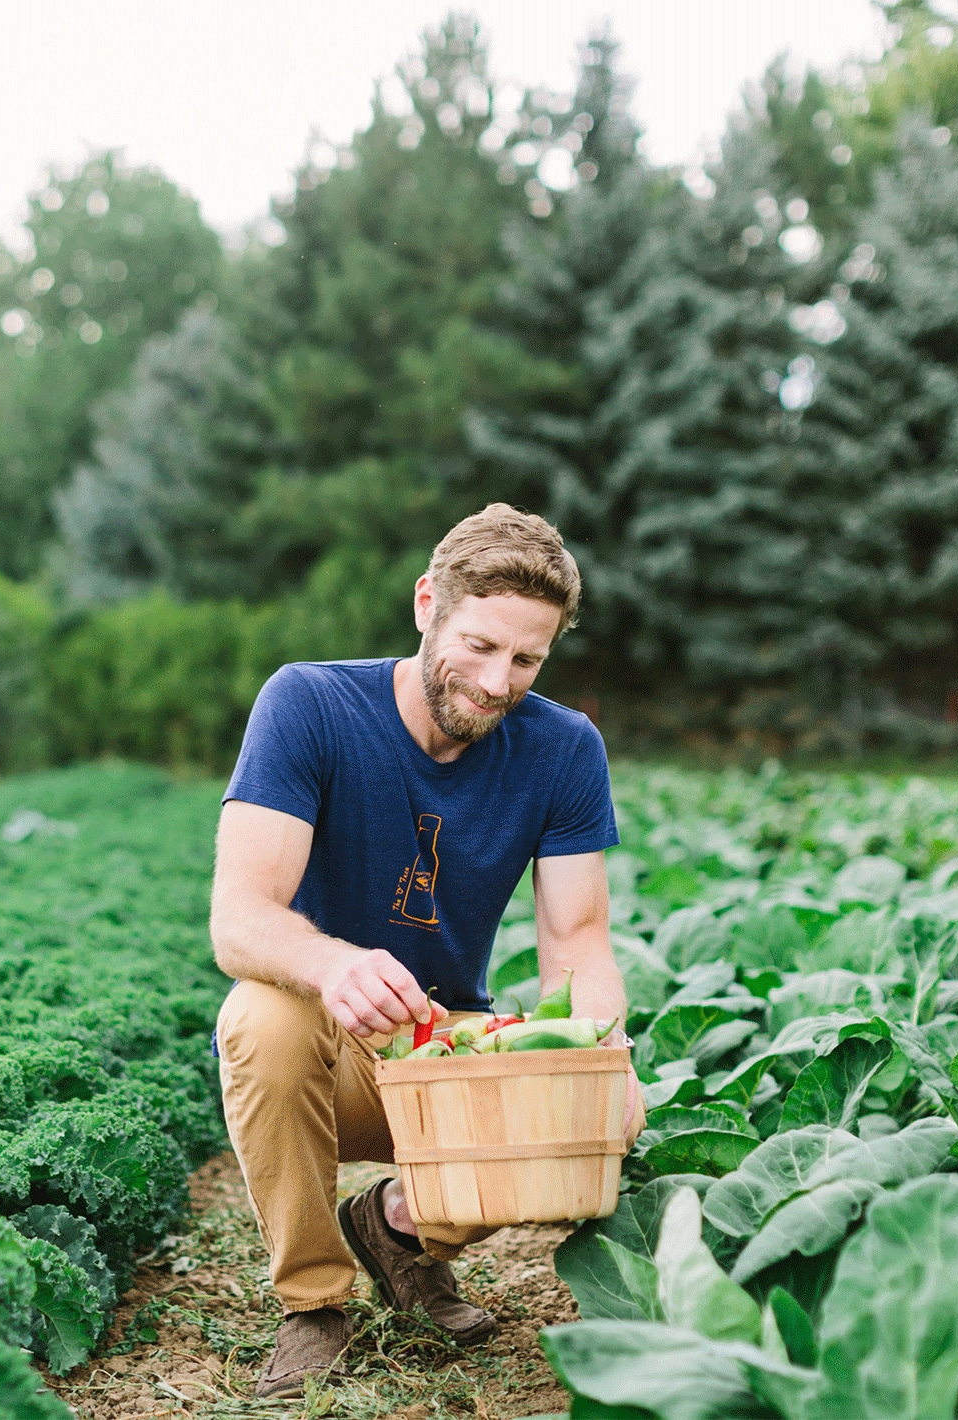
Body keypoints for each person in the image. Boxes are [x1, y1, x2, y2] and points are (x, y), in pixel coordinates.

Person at [208, 503, 643, 1398]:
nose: (497, 681)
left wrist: (596, 1053)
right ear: (425, 605)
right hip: (324, 1041)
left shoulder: (564, 748)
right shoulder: (310, 703)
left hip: (440, 1048)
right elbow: (240, 918)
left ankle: (401, 1233)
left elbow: (577, 940)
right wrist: (333, 965)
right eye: (480, 646)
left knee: (599, 1100)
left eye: (527, 659)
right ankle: (314, 1304)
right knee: (259, 1017)